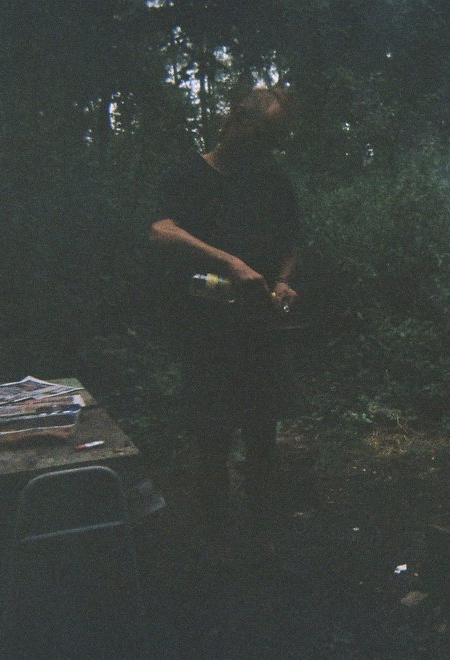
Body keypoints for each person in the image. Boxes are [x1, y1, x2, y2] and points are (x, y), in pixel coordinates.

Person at [149, 86, 301, 553]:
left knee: (262, 437)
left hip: (260, 332)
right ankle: (214, 544)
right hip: (207, 333)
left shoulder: (272, 180)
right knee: (212, 437)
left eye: (275, 140)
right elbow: (160, 230)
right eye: (262, 135)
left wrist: (283, 280)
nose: (267, 148)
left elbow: (293, 239)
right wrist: (228, 262)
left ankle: (262, 540)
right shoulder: (189, 173)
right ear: (237, 119)